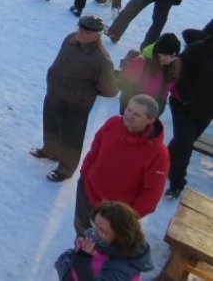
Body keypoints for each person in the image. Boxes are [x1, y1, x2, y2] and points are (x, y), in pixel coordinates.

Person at [31, 15, 117, 182]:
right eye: (80, 28)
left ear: (97, 35)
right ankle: (50, 150)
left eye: (86, 32)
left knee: (71, 138)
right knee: (51, 125)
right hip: (55, 94)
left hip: (75, 105)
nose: (80, 33)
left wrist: (82, 93)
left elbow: (109, 89)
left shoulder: (101, 59)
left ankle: (65, 168)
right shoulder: (70, 39)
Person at [74, 94, 169, 237]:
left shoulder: (158, 153)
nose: (129, 115)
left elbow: (151, 194)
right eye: (129, 109)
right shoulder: (113, 124)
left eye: (136, 114)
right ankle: (80, 253)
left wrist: (127, 217)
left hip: (115, 215)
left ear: (150, 120)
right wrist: (84, 174)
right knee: (82, 231)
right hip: (88, 193)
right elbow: (95, 149)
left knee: (103, 245)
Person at [165, 23, 213, 198]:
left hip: (206, 111)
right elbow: (177, 74)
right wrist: (186, 101)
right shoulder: (198, 49)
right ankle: (178, 182)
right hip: (183, 106)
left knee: (182, 142)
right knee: (185, 143)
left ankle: (159, 162)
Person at [54, 201, 153, 281]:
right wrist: (80, 248)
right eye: (94, 225)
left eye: (101, 231)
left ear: (120, 236)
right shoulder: (105, 243)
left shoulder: (122, 270)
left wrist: (82, 258)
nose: (93, 233)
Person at [117, 33, 180, 115]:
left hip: (152, 114)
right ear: (157, 51)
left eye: (172, 57)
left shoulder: (173, 67)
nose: (168, 59)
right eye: (164, 55)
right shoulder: (141, 62)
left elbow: (173, 87)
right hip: (133, 110)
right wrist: (133, 106)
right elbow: (125, 83)